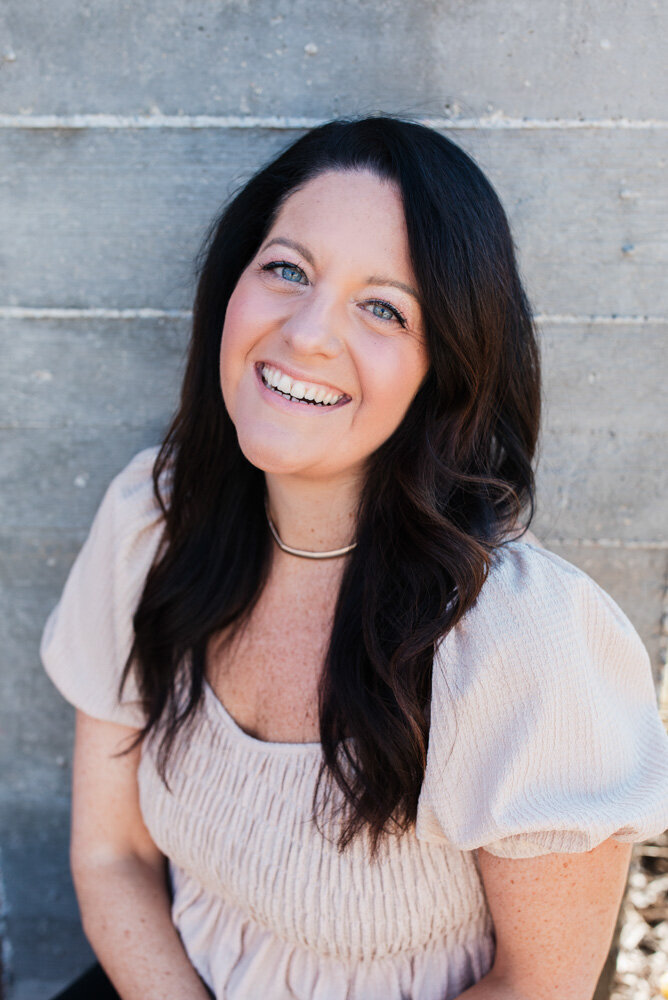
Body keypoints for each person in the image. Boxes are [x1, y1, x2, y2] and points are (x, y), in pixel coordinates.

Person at [41, 114, 668, 1000]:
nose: (306, 333)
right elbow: (112, 856)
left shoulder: (522, 641)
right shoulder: (153, 520)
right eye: (287, 269)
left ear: (445, 369)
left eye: (383, 307)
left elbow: (538, 988)